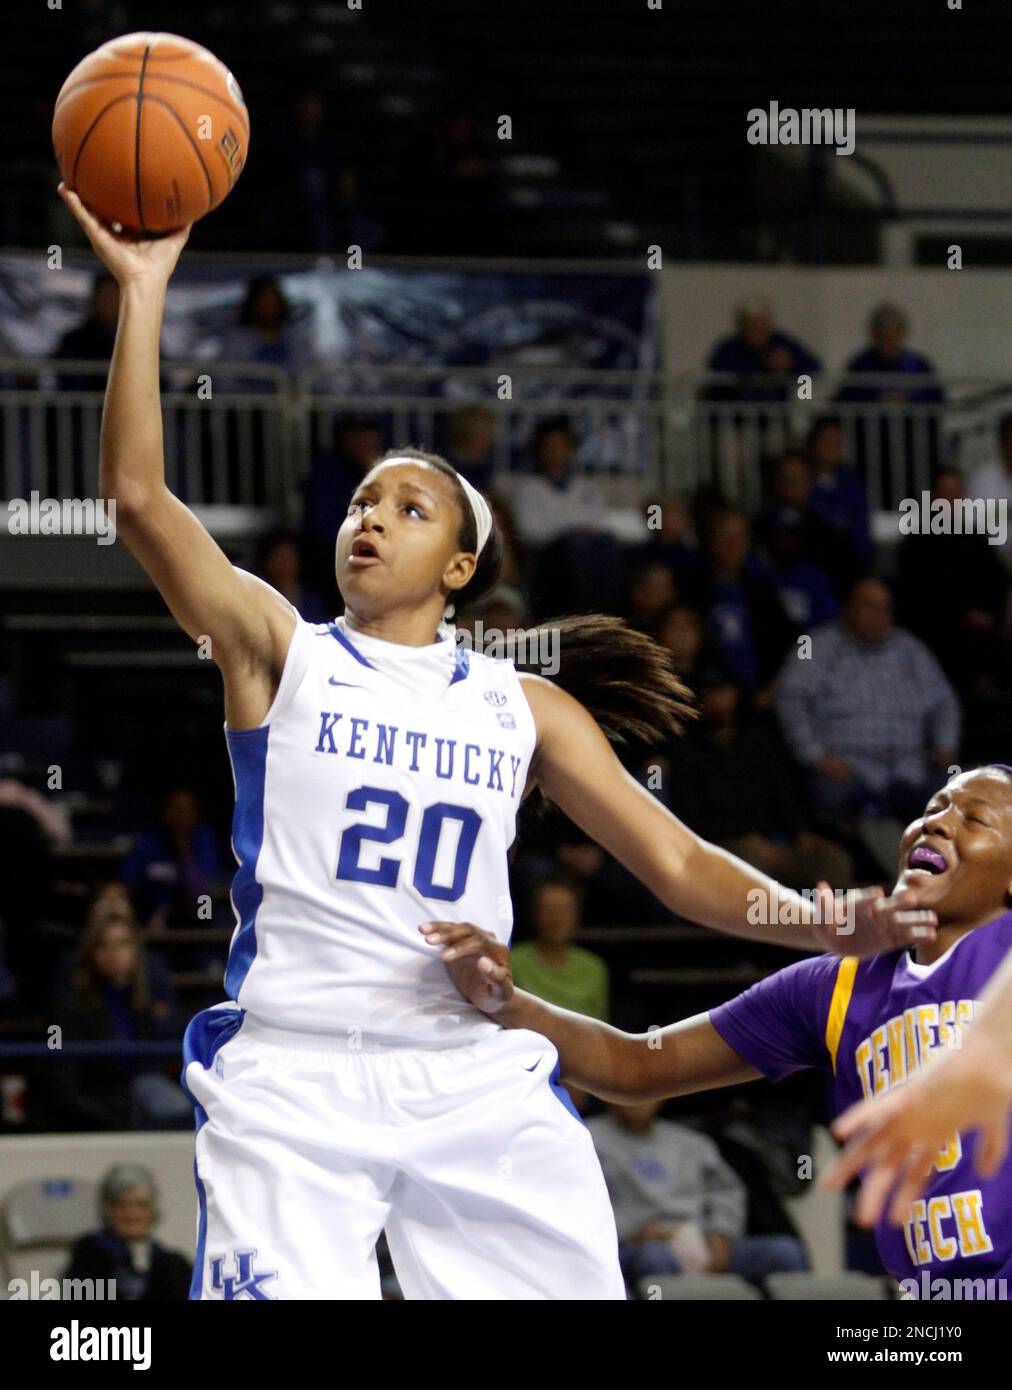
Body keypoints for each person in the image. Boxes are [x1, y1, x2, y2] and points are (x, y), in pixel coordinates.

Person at [59, 180, 935, 1302]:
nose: (368, 518)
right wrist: (142, 291)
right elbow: (137, 497)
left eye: (409, 509)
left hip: (472, 1066)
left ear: (462, 567)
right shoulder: (280, 646)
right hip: (295, 1069)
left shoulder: (523, 704)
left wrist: (818, 917)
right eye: (361, 502)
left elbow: (675, 867)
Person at [434, 763, 1012, 1298]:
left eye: (974, 818)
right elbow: (639, 1067)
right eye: (935, 806)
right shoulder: (832, 988)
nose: (937, 822)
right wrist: (505, 1000)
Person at [775, 578, 961, 827]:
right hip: (847, 771)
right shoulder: (814, 644)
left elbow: (944, 701)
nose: (879, 615)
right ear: (848, 608)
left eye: (885, 607)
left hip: (909, 769)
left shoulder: (909, 647)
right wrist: (813, 756)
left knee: (962, 792)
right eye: (869, 606)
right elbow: (790, 698)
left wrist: (944, 745)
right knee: (830, 795)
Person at [588, 1098, 808, 1292]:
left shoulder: (692, 1142)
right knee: (654, 1257)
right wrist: (630, 1233)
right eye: (629, 1090)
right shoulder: (588, 1140)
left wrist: (720, 1233)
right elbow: (582, 1201)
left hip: (701, 1238)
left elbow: (726, 1191)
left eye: (643, 1089)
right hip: (637, 1243)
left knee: (784, 1252)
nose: (638, 1100)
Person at [49, 908, 188, 1130]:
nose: (114, 953)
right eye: (103, 945)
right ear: (91, 953)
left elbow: (169, 1048)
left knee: (188, 1112)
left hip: (142, 1085)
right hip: (101, 1095)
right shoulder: (73, 1003)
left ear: (135, 951)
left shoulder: (149, 998)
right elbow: (65, 1079)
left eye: (123, 944)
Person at [64, 1165, 191, 1300]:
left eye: (141, 1205)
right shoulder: (89, 1255)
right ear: (107, 1210)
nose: (132, 1214)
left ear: (153, 1210)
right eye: (122, 1205)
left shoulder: (171, 1264)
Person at [511, 876, 609, 1021]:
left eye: (564, 910)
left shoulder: (594, 967)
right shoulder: (513, 961)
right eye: (549, 909)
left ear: (577, 915)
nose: (556, 918)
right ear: (534, 913)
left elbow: (602, 1024)